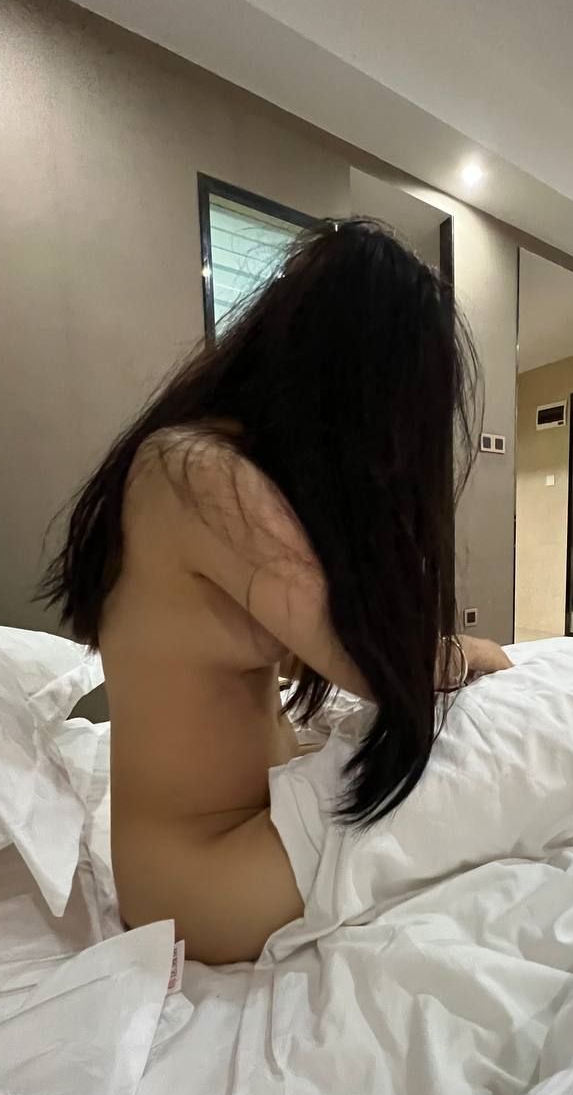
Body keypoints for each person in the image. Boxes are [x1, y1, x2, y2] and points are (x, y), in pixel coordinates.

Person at [41, 219, 512, 966]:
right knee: (487, 785)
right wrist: (475, 652)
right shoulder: (197, 475)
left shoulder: (204, 463)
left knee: (479, 773)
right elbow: (376, 665)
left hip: (230, 835)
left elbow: (293, 652)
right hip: (199, 881)